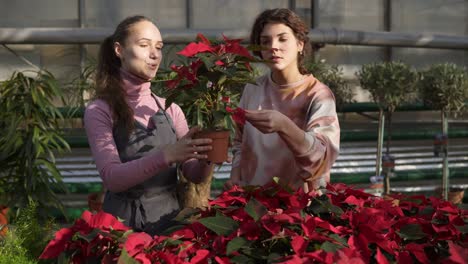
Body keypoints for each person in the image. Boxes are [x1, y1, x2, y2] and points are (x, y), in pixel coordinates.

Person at [84, 15, 213, 235]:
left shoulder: (171, 109)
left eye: (159, 47)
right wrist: (167, 156)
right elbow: (112, 178)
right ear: (119, 50)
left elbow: (193, 173)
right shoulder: (100, 110)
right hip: (120, 230)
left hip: (169, 225)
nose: (154, 54)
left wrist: (207, 157)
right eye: (144, 45)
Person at [226, 8, 340, 192]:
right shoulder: (252, 88)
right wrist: (236, 175)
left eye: (283, 38)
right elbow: (240, 140)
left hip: (298, 210)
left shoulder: (318, 95)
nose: (273, 46)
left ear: (300, 44)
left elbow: (322, 159)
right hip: (253, 204)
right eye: (265, 41)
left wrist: (284, 126)